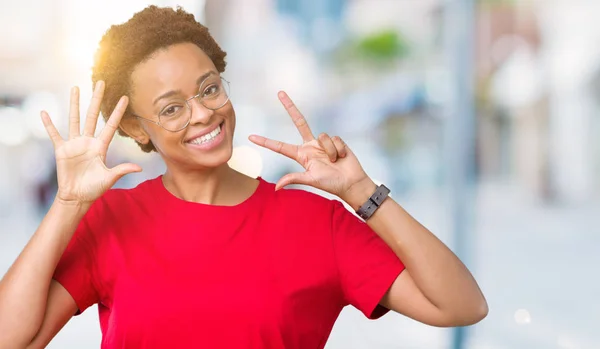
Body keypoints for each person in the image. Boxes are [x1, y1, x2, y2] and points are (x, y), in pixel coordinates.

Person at [0, 6, 487, 349]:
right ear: (134, 127)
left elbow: (460, 306)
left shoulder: (317, 223)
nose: (203, 115)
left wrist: (361, 191)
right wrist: (67, 204)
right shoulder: (113, 221)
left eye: (209, 88)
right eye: (171, 108)